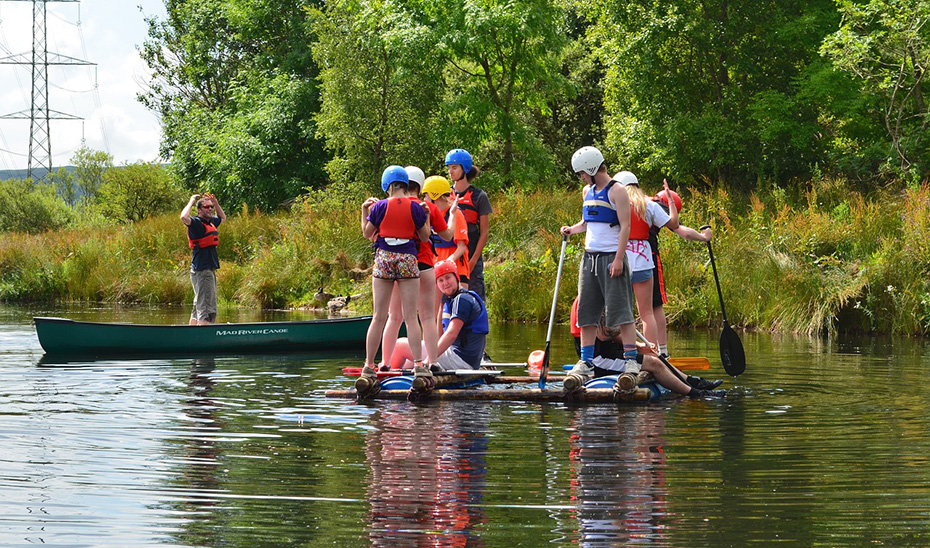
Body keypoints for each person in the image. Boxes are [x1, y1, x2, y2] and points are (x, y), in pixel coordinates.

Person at [560, 146, 640, 397]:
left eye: (582, 172)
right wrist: (571, 230)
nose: (581, 177)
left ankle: (630, 360)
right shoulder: (587, 191)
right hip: (589, 259)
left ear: (593, 168)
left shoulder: (617, 190)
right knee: (586, 311)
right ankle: (586, 362)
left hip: (611, 259)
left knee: (621, 311)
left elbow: (625, 226)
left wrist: (618, 260)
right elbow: (587, 223)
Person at [356, 166, 432, 397]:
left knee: (379, 316)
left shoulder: (378, 207)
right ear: (405, 184)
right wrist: (426, 216)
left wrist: (363, 211)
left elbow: (367, 233)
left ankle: (369, 366)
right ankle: (419, 365)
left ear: (387, 185)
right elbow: (425, 236)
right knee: (411, 317)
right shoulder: (416, 208)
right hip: (408, 259)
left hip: (384, 259)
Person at [379, 167, 457, 369]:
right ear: (420, 185)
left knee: (395, 316)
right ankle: (432, 362)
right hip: (424, 266)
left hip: (400, 268)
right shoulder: (426, 207)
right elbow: (448, 236)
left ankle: (385, 363)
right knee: (428, 317)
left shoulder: (390, 205)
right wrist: (454, 214)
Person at [389, 260, 489, 390]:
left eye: (448, 278)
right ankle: (396, 371)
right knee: (410, 361)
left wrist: (428, 361)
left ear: (456, 277)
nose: (445, 283)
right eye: (440, 281)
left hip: (460, 359)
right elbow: (441, 335)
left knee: (400, 346)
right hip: (463, 358)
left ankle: (386, 377)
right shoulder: (451, 300)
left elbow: (451, 334)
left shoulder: (462, 300)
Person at [611, 170, 673, 354]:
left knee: (622, 313)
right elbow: (675, 224)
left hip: (619, 262)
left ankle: (623, 352)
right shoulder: (649, 205)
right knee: (648, 312)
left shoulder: (614, 205)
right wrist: (670, 201)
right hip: (645, 262)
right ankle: (655, 353)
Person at [648, 182, 713, 357]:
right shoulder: (658, 206)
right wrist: (703, 237)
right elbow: (681, 230)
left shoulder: (636, 201)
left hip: (620, 256)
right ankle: (661, 352)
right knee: (655, 306)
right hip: (648, 258)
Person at [591, 319, 725, 398]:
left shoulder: (605, 295)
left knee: (655, 356)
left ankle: (694, 381)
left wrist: (638, 345)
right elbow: (603, 335)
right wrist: (624, 323)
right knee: (653, 363)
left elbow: (611, 334)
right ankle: (696, 393)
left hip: (610, 350)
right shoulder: (591, 300)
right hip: (599, 358)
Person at [446, 149, 492, 303]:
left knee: (474, 302)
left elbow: (484, 233)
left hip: (472, 256)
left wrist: (472, 261)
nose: (450, 172)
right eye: (448, 167)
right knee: (448, 303)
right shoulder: (445, 195)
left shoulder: (479, 196)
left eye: (454, 167)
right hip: (451, 257)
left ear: (464, 169)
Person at [180, 193, 226, 325]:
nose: (210, 209)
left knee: (198, 305)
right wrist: (191, 201)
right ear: (199, 210)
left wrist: (215, 202)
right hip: (203, 270)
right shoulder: (196, 223)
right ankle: (203, 339)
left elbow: (222, 218)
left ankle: (191, 335)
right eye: (207, 207)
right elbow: (183, 217)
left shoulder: (211, 222)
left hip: (205, 269)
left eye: (211, 207)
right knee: (206, 307)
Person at [423, 175, 470, 289]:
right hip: (436, 268)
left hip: (456, 268)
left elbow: (461, 247)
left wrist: (448, 262)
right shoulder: (431, 214)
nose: (424, 199)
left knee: (458, 303)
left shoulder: (455, 214)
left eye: (426, 196)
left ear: (435, 195)